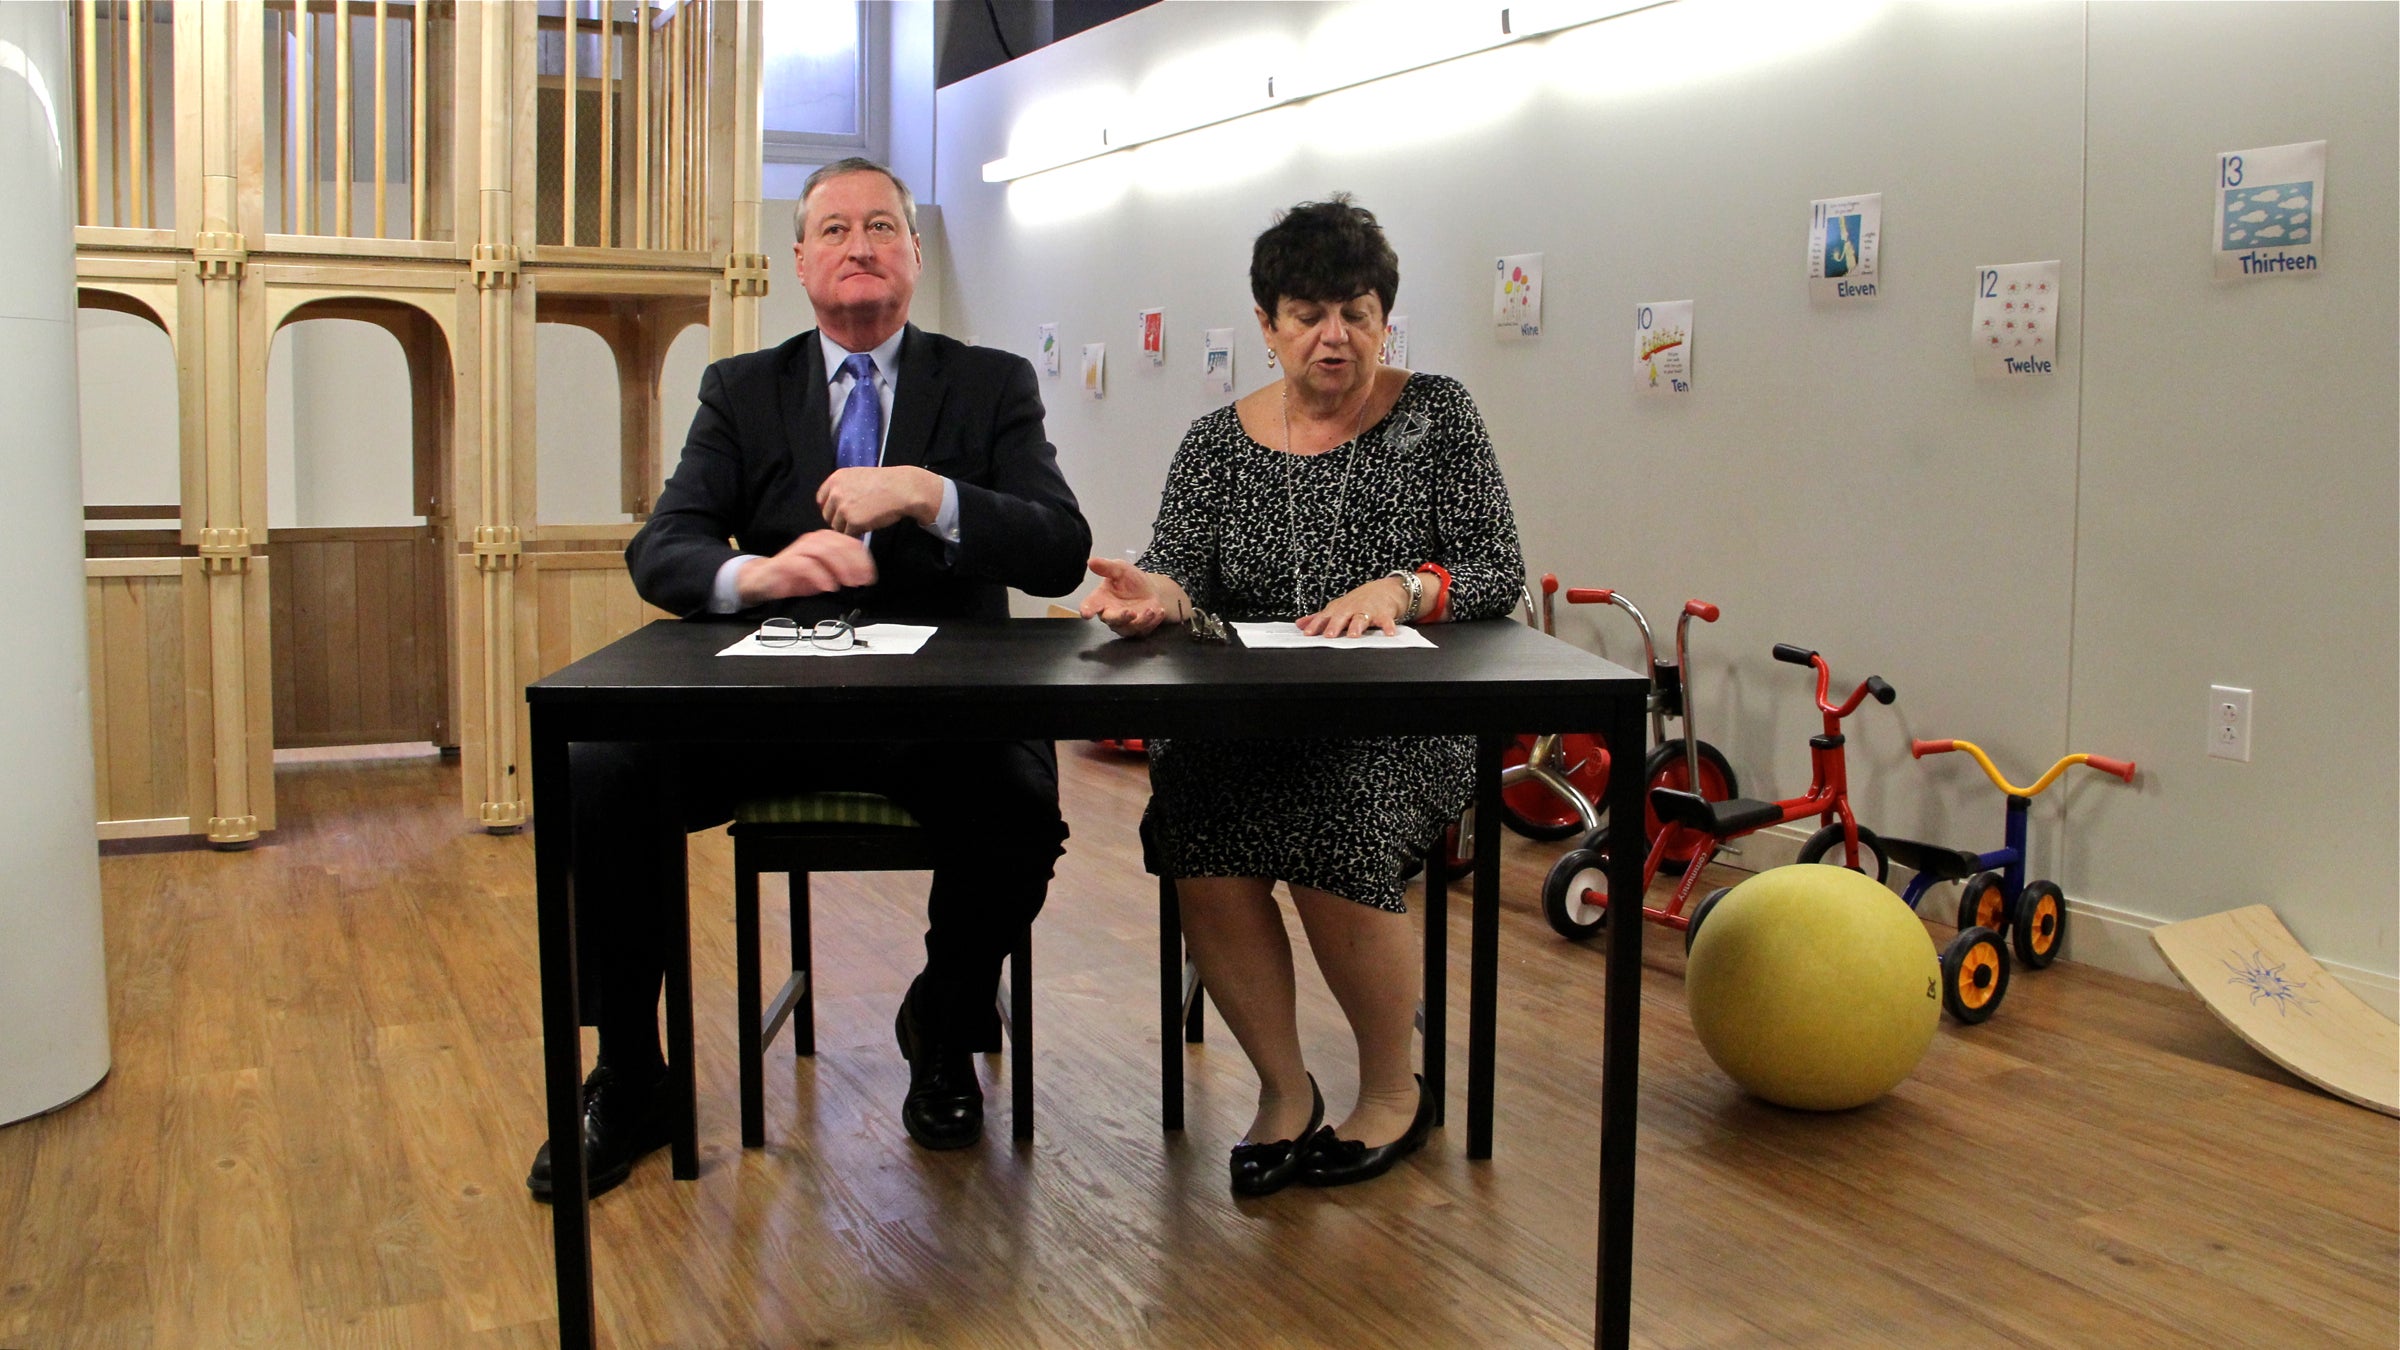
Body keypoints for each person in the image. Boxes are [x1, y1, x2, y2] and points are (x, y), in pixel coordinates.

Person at [527, 158, 1092, 1201]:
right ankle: (632, 1073)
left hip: (938, 713)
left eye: (882, 226)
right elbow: (665, 547)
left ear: (915, 255)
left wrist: (932, 494)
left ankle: (944, 1024)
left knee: (1018, 799)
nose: (859, 246)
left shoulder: (990, 382)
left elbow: (1060, 550)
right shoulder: (743, 389)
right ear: (800, 263)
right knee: (599, 771)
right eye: (834, 229)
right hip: (770, 704)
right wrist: (756, 574)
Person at [1079, 196, 1524, 1196]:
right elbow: (1178, 573)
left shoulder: (1438, 415)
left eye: (1357, 313)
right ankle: (1285, 1092)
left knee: (1335, 814)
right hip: (1248, 726)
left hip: (1397, 729)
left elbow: (1499, 570)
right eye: (1309, 314)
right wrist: (1151, 594)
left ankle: (1391, 1091)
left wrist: (1404, 588)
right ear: (1270, 325)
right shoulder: (1213, 443)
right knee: (1200, 821)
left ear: (1384, 319)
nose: (1335, 336)